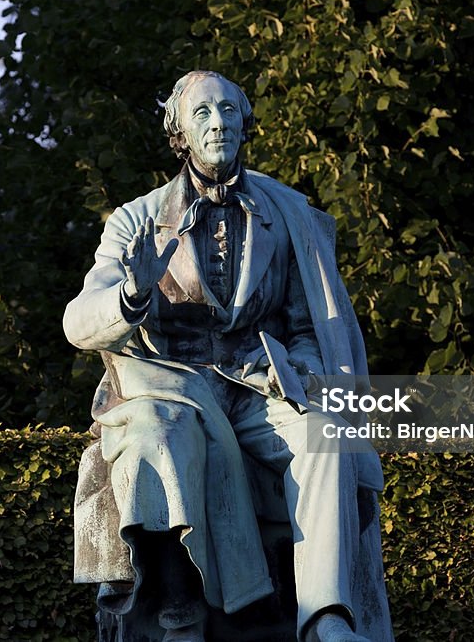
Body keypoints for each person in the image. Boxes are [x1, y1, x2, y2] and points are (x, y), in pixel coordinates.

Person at [66, 71, 393, 642]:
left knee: (326, 438)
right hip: (174, 388)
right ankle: (176, 609)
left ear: (244, 122)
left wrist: (302, 373)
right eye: (202, 114)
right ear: (180, 134)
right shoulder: (136, 220)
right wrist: (132, 295)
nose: (218, 123)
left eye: (227, 111)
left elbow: (307, 324)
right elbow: (79, 320)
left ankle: (325, 619)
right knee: (153, 436)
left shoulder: (288, 214)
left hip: (257, 390)